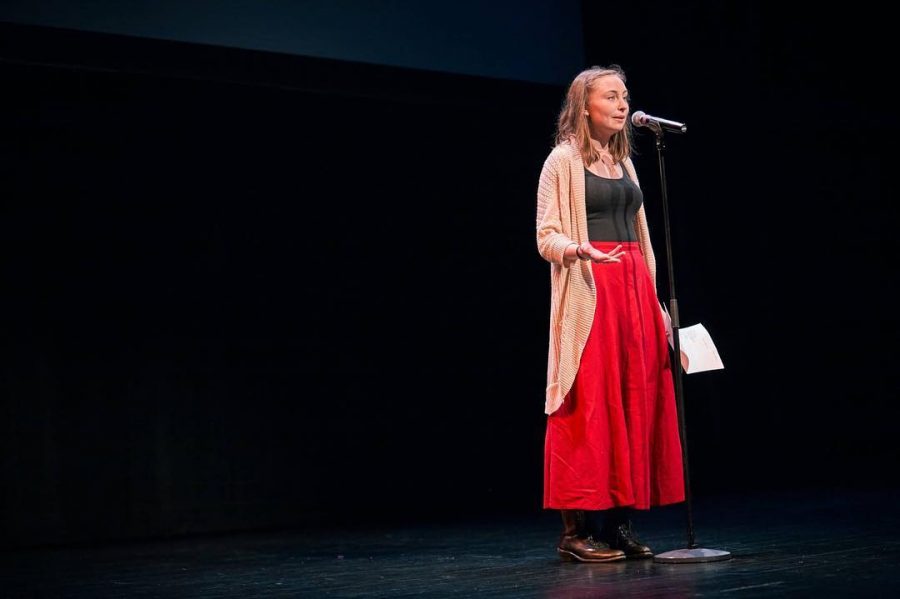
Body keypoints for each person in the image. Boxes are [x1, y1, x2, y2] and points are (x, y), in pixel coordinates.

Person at [536, 65, 685, 563]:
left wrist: (657, 304)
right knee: (588, 403)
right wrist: (581, 250)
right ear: (584, 107)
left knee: (634, 399)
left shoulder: (626, 163)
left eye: (625, 96)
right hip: (591, 291)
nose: (622, 105)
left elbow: (642, 239)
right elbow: (545, 236)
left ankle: (620, 524)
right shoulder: (561, 161)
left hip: (634, 290)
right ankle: (576, 532)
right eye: (611, 97)